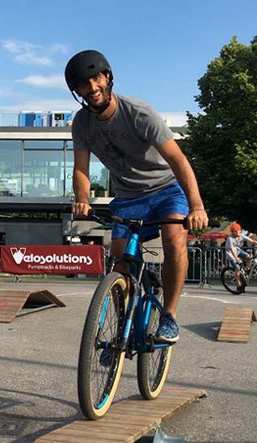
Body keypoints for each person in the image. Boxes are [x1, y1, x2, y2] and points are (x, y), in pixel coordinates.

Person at [65, 49, 208, 344]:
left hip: (165, 190)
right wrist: (82, 199)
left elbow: (178, 160)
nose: (92, 88)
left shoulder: (138, 113)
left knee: (174, 238)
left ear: (108, 78)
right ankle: (123, 330)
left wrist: (196, 206)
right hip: (128, 198)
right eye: (83, 84)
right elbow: (81, 169)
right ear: (77, 91)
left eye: (96, 79)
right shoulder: (81, 124)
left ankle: (169, 316)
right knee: (120, 262)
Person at [224, 222, 257, 291]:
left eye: (238, 231)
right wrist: (237, 259)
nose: (237, 233)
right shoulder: (230, 239)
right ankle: (239, 285)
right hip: (230, 253)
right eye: (235, 232)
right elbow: (231, 250)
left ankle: (245, 271)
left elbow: (253, 241)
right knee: (237, 269)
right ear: (232, 232)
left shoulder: (241, 235)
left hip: (237, 250)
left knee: (249, 258)